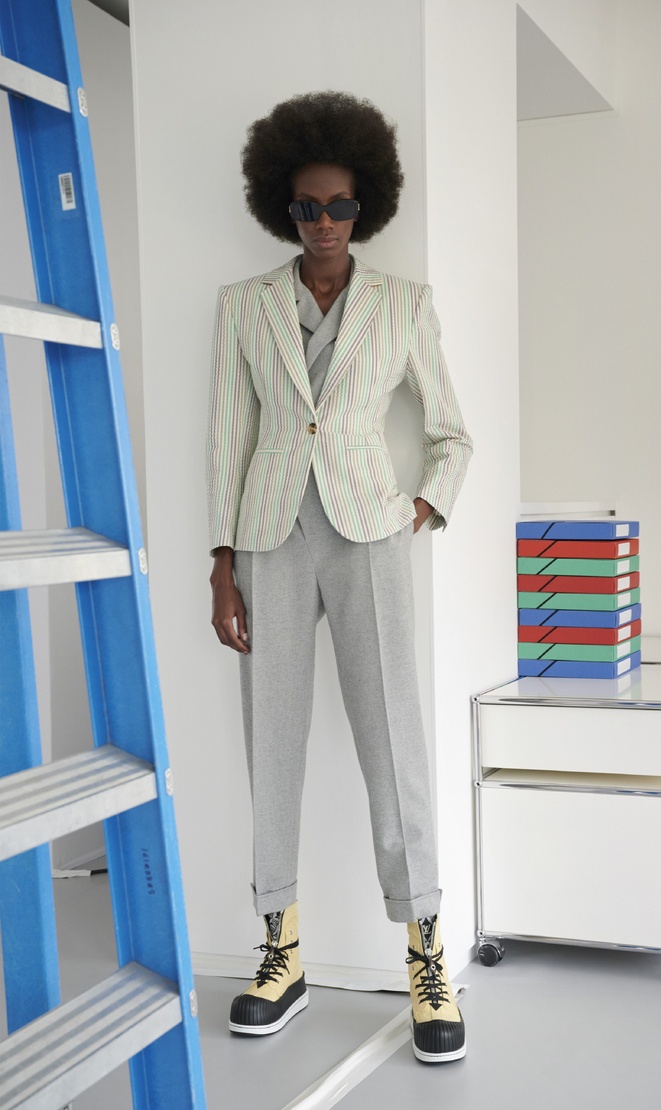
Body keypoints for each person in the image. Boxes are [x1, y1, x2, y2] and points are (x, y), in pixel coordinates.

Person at [207, 91, 473, 1065]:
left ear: (367, 206)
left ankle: (425, 953)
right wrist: (221, 565)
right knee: (269, 744)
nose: (324, 222)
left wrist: (419, 509)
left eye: (341, 206)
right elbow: (227, 439)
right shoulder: (244, 306)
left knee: (394, 740)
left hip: (368, 535)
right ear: (284, 207)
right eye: (308, 207)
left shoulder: (403, 304)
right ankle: (281, 952)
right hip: (269, 537)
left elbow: (450, 433)